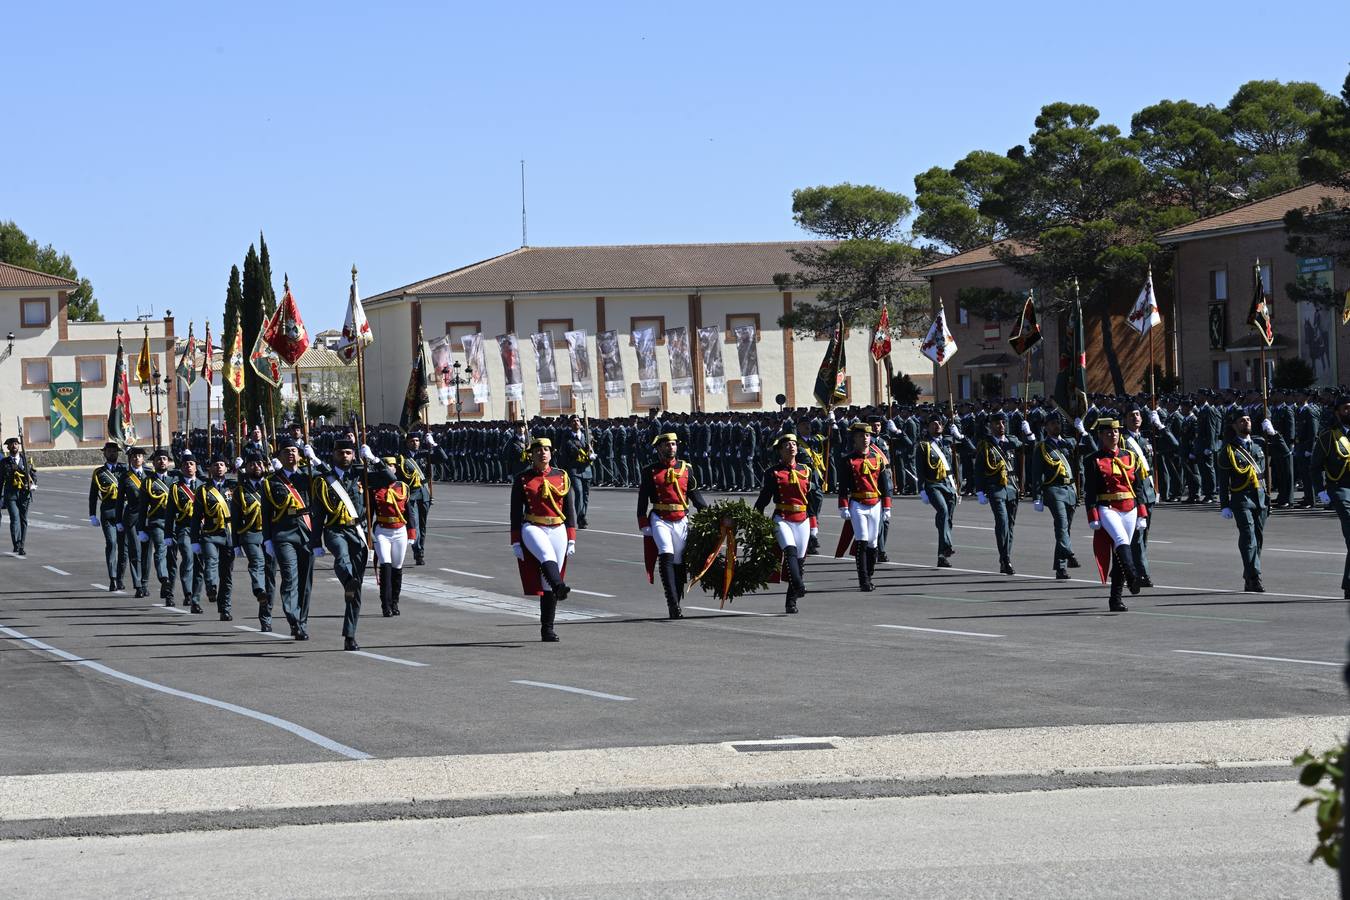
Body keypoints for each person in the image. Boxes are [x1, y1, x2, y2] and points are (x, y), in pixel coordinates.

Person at [509, 437, 577, 641]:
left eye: (546, 449)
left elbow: (569, 508)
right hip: (533, 526)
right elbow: (515, 512)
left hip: (557, 526)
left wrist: (572, 536)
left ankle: (547, 629)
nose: (543, 453)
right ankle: (560, 587)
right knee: (546, 556)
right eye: (538, 450)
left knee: (548, 580)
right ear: (532, 454)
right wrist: (515, 540)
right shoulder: (523, 478)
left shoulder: (562, 476)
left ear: (551, 453)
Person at [637, 432, 709, 618]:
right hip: (660, 518)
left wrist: (709, 515)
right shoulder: (650, 471)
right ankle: (671, 602)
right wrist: (643, 521)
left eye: (674, 444)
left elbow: (695, 496)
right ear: (659, 448)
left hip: (681, 518)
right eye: (667, 444)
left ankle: (677, 599)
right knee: (666, 554)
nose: (671, 447)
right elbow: (643, 500)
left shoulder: (686, 469)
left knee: (679, 561)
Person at [1083, 418, 1147, 612]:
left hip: (1130, 505)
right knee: (1121, 541)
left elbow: (1138, 487)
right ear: (1101, 436)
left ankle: (1115, 599)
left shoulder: (1130, 456)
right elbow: (1090, 490)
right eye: (1108, 433)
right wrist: (1092, 515)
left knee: (1120, 552)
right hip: (1107, 506)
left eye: (1116, 432)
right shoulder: (1093, 460)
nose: (1114, 435)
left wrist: (1142, 512)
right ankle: (1133, 575)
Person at [1218, 409, 1284, 593]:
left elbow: (1285, 453)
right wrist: (1224, 505)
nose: (1246, 422)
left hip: (1261, 497)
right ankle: (1255, 576)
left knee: (1258, 539)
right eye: (1241, 420)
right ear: (1234, 425)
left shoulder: (1260, 444)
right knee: (1248, 537)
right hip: (1242, 498)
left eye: (1248, 419)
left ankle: (1249, 576)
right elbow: (1223, 481)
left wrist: (1273, 433)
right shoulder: (1228, 450)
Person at [313, 438, 370, 651]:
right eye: (341, 453)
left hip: (357, 531)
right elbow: (317, 513)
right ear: (333, 455)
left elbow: (390, 477)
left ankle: (350, 634)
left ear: (353, 455)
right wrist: (316, 541)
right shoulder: (324, 480)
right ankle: (346, 579)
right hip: (334, 529)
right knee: (341, 556)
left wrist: (372, 459)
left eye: (348, 452)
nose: (344, 456)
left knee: (356, 589)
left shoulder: (361, 474)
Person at [753, 433, 818, 613]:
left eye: (794, 444)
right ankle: (799, 585)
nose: (791, 447)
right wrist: (755, 516)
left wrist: (814, 524)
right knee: (790, 551)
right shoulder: (773, 472)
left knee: (799, 562)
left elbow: (810, 500)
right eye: (787, 445)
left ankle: (791, 602)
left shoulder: (806, 470)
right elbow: (764, 497)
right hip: (782, 518)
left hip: (803, 519)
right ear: (780, 451)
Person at [263, 437, 318, 640]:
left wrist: (316, 460)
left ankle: (302, 622)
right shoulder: (271, 482)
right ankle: (293, 618)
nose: (291, 454)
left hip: (306, 533)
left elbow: (333, 480)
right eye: (286, 451)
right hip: (283, 533)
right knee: (289, 577)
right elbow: (266, 512)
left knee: (305, 581)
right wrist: (267, 539)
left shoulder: (309, 477)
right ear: (280, 456)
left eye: (294, 450)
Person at [836, 422, 892, 591]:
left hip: (875, 503)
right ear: (854, 439)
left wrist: (887, 507)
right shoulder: (848, 460)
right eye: (861, 436)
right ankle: (863, 580)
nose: (865, 439)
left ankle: (870, 573)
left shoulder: (877, 458)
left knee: (873, 543)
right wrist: (843, 506)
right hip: (857, 504)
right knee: (862, 540)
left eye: (867, 436)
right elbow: (844, 486)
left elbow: (884, 485)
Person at [1031, 412, 1080, 579]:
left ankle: (1060, 568)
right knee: (1061, 524)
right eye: (1052, 424)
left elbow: (1091, 452)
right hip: (1053, 489)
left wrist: (1085, 433)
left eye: (1058, 423)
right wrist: (1036, 496)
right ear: (1046, 427)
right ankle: (1070, 553)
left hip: (1070, 489)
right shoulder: (1042, 447)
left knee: (1065, 529)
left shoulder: (1069, 443)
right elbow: (1036, 474)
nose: (1056, 426)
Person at [1310, 394, 1350, 600]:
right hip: (1341, 489)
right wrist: (1321, 491)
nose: (1349, 412)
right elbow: (1315, 467)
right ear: (1337, 412)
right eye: (1345, 408)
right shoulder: (1327, 437)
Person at [975, 413, 1024, 575]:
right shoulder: (985, 445)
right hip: (995, 487)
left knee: (1010, 526)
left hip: (1012, 487)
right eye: (997, 423)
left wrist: (1028, 433)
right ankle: (1005, 559)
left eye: (1003, 423)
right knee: (1002, 522)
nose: (1001, 426)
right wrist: (980, 490)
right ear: (991, 426)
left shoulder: (1012, 441)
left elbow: (1030, 448)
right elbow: (979, 469)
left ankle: (1005, 557)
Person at [232, 453, 276, 630]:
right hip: (250, 534)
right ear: (247, 468)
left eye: (259, 463)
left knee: (270, 576)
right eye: (252, 464)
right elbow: (235, 519)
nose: (256, 466)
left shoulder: (272, 486)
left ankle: (266, 617)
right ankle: (258, 589)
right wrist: (235, 544)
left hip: (270, 537)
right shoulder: (240, 491)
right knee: (257, 563)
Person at [365, 452, 412, 617]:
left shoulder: (403, 487)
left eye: (391, 466)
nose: (390, 469)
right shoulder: (375, 489)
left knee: (397, 568)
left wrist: (412, 534)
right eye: (387, 467)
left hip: (400, 531)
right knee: (385, 566)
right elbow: (369, 514)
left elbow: (409, 513)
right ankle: (385, 605)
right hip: (382, 531)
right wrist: (368, 537)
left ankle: (395, 603)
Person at [192, 454, 235, 620]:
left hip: (229, 534)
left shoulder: (233, 487)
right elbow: (196, 517)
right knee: (211, 561)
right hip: (210, 533)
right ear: (210, 468)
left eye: (222, 464)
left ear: (226, 468)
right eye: (215, 464)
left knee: (227, 575)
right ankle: (211, 587)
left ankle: (225, 608)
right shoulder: (203, 489)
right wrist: (195, 540)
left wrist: (243, 470)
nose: (219, 467)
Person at [916, 415, 962, 568]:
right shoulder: (923, 446)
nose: (937, 426)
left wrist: (960, 435)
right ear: (928, 427)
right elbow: (920, 469)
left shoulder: (949, 442)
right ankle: (947, 545)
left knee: (946, 519)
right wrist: (921, 489)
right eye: (934, 424)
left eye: (940, 423)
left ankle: (941, 556)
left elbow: (969, 450)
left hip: (949, 484)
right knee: (942, 511)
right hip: (933, 484)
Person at [137, 449, 177, 604]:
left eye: (165, 459)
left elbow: (197, 476)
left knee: (173, 560)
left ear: (169, 462)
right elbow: (142, 508)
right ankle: (164, 578)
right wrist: (140, 529)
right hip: (157, 523)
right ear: (153, 463)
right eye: (159, 459)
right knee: (161, 549)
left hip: (174, 524)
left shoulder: (175, 479)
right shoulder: (148, 482)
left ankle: (169, 593)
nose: (162, 461)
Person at [170, 452, 205, 613]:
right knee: (188, 557)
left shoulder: (204, 486)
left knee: (200, 564)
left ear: (196, 467)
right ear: (181, 468)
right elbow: (169, 513)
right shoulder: (176, 488)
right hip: (184, 528)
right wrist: (167, 534)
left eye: (191, 464)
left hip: (202, 529)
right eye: (185, 464)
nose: (188, 466)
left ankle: (196, 599)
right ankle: (188, 593)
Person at [118, 447, 151, 598]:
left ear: (143, 459)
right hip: (131, 518)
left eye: (140, 456)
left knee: (147, 553)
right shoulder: (125, 477)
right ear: (130, 459)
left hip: (148, 518)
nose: (137, 459)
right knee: (135, 552)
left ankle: (144, 583)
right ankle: (138, 585)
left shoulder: (149, 475)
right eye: (134, 456)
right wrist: (119, 521)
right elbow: (119, 501)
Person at [397, 432, 432, 566]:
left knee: (423, 525)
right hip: (411, 494)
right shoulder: (402, 458)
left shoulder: (425, 454)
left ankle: (420, 548)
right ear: (407, 443)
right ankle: (418, 552)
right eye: (412, 441)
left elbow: (443, 457)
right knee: (414, 524)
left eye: (417, 440)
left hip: (424, 493)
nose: (415, 443)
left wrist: (434, 444)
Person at [0, 437, 36, 556]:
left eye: (16, 444)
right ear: (8, 447)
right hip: (10, 494)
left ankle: (21, 545)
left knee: (23, 520)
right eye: (12, 444)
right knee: (15, 519)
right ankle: (16, 544)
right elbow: (0, 480)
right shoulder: (4, 462)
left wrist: (32, 484)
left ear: (19, 446)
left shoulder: (25, 460)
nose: (14, 446)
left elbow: (33, 476)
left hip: (24, 494)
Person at [563, 415, 594, 529]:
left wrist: (592, 453)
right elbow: (567, 452)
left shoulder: (587, 435)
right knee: (579, 492)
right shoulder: (567, 438)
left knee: (586, 495)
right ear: (570, 424)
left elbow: (596, 447)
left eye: (578, 420)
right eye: (574, 421)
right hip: (574, 469)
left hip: (586, 468)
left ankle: (583, 515)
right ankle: (581, 517)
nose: (576, 422)